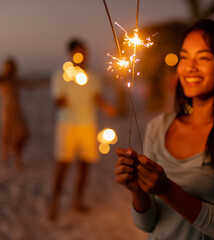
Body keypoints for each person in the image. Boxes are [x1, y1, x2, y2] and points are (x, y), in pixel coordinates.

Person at [114, 19, 214, 239]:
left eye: (203, 58)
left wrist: (167, 190)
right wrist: (138, 190)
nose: (190, 67)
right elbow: (147, 224)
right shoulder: (159, 127)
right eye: (184, 57)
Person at [48, 39, 117, 221]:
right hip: (67, 125)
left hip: (88, 124)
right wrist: (61, 100)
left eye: (85, 52)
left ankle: (77, 201)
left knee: (85, 165)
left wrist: (107, 107)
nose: (83, 56)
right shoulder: (60, 75)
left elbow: (96, 97)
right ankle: (54, 203)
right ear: (70, 54)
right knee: (63, 164)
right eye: (79, 52)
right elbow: (58, 100)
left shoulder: (93, 76)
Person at [0, 58, 29, 172]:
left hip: (17, 110)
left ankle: (8, 154)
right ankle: (14, 158)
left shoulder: (15, 80)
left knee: (23, 134)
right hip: (8, 110)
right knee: (10, 135)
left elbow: (29, 84)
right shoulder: (3, 80)